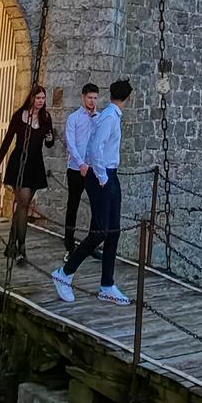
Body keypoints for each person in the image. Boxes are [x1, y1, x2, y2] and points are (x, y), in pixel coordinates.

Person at [52, 77, 131, 304]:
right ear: (128, 97)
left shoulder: (109, 115)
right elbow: (95, 148)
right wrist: (103, 176)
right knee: (99, 231)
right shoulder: (109, 117)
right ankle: (65, 273)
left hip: (110, 174)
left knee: (113, 230)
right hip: (102, 176)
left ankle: (107, 284)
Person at [0, 85, 54, 264]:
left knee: (22, 205)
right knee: (23, 204)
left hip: (35, 165)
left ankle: (10, 245)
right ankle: (22, 248)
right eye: (38, 98)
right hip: (19, 163)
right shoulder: (19, 116)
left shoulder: (45, 118)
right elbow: (8, 140)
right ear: (31, 98)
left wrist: (50, 139)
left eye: (43, 98)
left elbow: (48, 143)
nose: (40, 101)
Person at [62, 82, 99, 255]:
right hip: (76, 169)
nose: (92, 101)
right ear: (83, 97)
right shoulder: (74, 118)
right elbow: (71, 143)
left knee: (95, 206)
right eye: (90, 97)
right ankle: (69, 244)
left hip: (92, 169)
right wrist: (80, 163)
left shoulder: (98, 119)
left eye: (95, 98)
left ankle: (91, 245)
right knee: (73, 205)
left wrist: (95, 118)